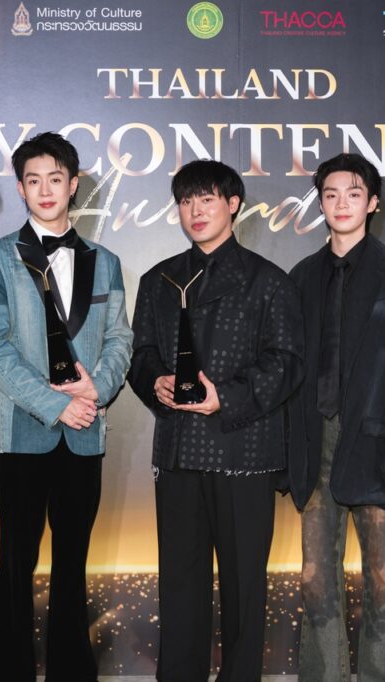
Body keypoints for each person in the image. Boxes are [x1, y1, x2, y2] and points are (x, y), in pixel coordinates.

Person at [128, 159, 304, 681]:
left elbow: (287, 362)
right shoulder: (158, 280)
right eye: (186, 201)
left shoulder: (268, 281)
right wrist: (155, 382)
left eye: (206, 199)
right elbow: (141, 356)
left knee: (243, 591)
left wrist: (224, 397)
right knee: (179, 588)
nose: (195, 211)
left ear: (233, 204)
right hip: (178, 453)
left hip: (243, 453)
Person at [0, 131, 133, 682]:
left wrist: (96, 390)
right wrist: (55, 405)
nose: (45, 190)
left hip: (85, 433)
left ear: (73, 185)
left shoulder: (105, 261)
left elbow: (120, 339)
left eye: (56, 179)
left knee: (73, 567)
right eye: (34, 180)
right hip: (21, 434)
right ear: (20, 188)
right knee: (16, 565)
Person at [285, 153, 385, 681]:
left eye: (353, 193)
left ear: (372, 203)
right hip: (316, 445)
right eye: (330, 194)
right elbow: (290, 372)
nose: (341, 203)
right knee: (315, 579)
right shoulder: (301, 278)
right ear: (320, 204)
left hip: (378, 444)